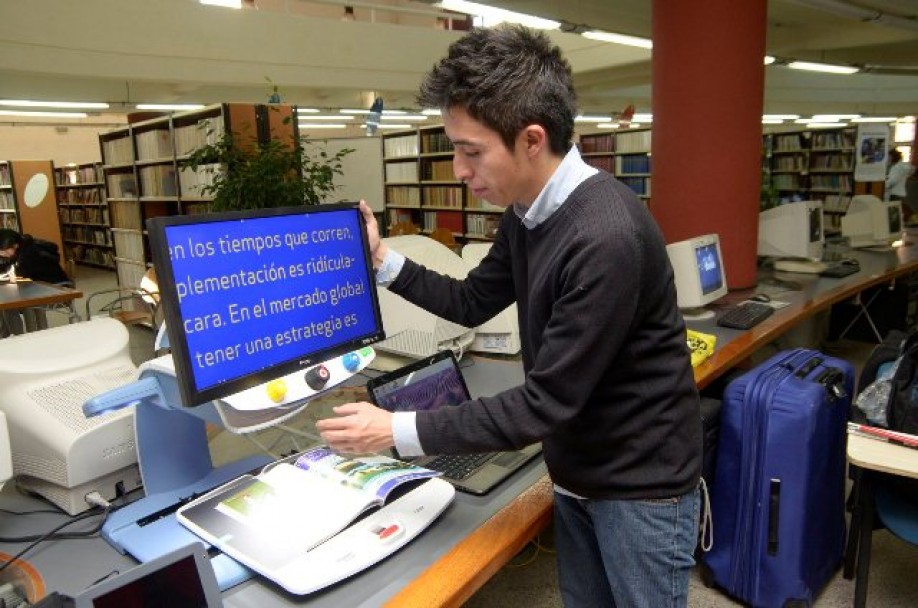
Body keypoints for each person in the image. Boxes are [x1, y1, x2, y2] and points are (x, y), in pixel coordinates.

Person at [316, 24, 702, 607]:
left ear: (531, 139)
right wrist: (381, 260)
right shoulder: (528, 211)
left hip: (640, 487)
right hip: (578, 469)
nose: (459, 170)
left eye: (472, 151)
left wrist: (393, 431)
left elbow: (543, 403)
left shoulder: (604, 236)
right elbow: (472, 300)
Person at [0, 228, 70, 337]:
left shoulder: (28, 255)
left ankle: (17, 337)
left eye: (3, 251)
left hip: (57, 289)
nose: (2, 254)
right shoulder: (23, 247)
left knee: (9, 305)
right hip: (40, 287)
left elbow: (22, 279)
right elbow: (7, 267)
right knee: (6, 304)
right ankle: (8, 336)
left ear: (14, 246)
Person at [0, 228, 70, 284]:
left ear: (15, 245)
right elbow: (8, 265)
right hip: (41, 284)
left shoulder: (30, 253)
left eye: (4, 251)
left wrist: (8, 273)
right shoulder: (22, 246)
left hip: (57, 286)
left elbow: (20, 274)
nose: (2, 254)